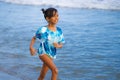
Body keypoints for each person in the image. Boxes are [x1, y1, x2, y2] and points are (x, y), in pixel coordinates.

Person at [29, 7, 65, 80]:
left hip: (52, 54)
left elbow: (61, 44)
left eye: (57, 15)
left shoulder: (59, 30)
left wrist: (58, 46)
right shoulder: (43, 29)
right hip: (43, 53)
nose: (56, 18)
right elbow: (34, 38)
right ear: (48, 19)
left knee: (42, 75)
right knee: (55, 70)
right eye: (53, 16)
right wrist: (31, 48)